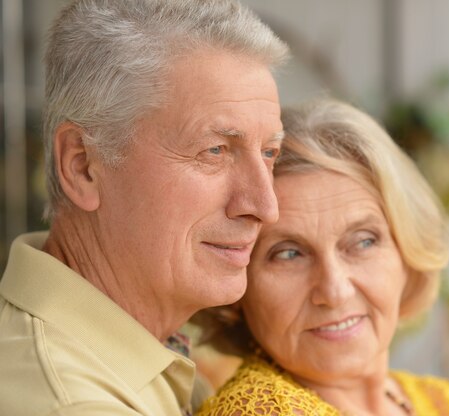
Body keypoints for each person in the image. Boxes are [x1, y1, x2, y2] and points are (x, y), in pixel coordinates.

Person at [0, 1, 289, 415]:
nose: (265, 206)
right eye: (215, 150)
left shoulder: (140, 352)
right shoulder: (76, 403)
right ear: (82, 165)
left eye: (269, 152)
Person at [194, 99, 449, 415]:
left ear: (407, 252)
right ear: (238, 288)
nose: (335, 291)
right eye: (288, 254)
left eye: (363, 242)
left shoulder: (447, 404)